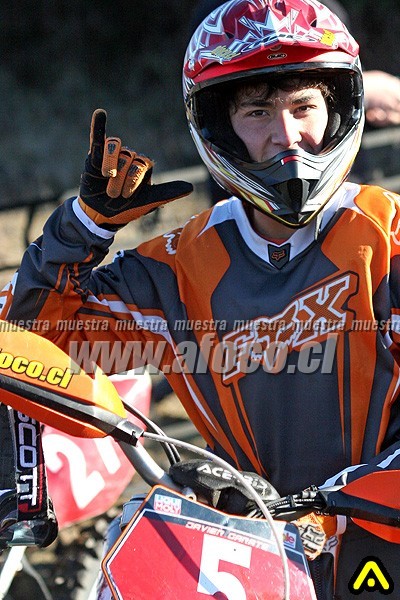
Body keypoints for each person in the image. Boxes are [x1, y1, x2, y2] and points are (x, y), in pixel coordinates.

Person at [2, 0, 400, 597]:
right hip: (247, 547)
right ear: (220, 125)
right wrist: (79, 232)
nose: (286, 135)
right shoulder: (177, 267)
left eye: (303, 107)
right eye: (258, 112)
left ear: (338, 108)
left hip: (381, 534)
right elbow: (29, 336)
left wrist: (338, 496)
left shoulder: (388, 236)